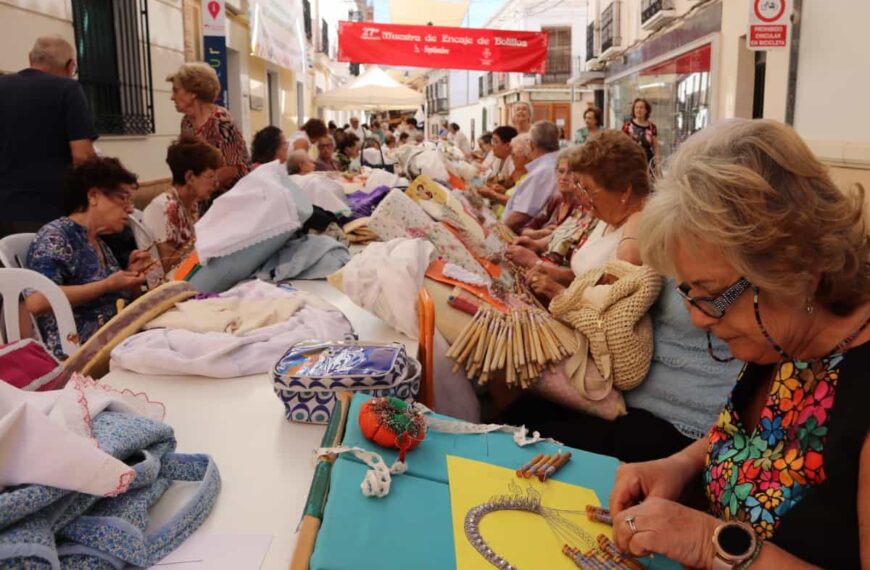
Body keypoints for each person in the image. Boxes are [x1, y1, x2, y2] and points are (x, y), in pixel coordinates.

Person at [607, 118, 870, 569]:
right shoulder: (787, 336)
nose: (697, 317)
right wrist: (679, 465)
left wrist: (711, 543)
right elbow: (757, 442)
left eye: (713, 296)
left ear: (793, 267)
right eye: (688, 293)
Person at [25, 157, 155, 357]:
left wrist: (132, 278)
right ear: (93, 196)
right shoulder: (56, 236)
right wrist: (108, 285)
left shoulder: (99, 242)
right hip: (78, 354)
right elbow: (37, 301)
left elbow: (119, 300)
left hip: (119, 343)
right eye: (123, 198)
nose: (130, 209)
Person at [517, 130, 648, 302]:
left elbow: (610, 309)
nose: (583, 197)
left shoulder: (635, 238)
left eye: (589, 190)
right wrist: (550, 272)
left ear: (624, 190)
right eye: (581, 188)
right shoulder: (607, 217)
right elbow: (585, 277)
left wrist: (558, 292)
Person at [0, 35, 97, 237]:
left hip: (4, 208)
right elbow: (82, 156)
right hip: (48, 211)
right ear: (71, 66)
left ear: (30, 58)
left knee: (9, 267)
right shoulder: (68, 89)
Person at [142, 136, 222, 272]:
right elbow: (167, 265)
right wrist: (204, 233)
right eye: (210, 176)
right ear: (190, 177)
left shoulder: (192, 204)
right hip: (167, 286)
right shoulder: (164, 206)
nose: (216, 183)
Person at [168, 62, 250, 191]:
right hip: (203, 195)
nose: (172, 97)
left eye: (176, 90)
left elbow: (233, 169)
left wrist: (198, 188)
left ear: (193, 93)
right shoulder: (187, 123)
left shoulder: (222, 123)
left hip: (230, 197)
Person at [500, 121, 561, 233]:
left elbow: (521, 215)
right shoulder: (552, 164)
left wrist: (499, 232)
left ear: (532, 145)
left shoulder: (543, 171)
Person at [479, 133, 532, 219]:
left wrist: (493, 194)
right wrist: (502, 191)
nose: (512, 157)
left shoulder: (529, 177)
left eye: (514, 155)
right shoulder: (521, 173)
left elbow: (518, 204)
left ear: (526, 157)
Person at [622, 97, 658, 170]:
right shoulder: (627, 126)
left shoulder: (652, 127)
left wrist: (657, 163)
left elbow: (655, 147)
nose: (639, 110)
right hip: (631, 160)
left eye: (641, 107)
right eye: (636, 107)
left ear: (646, 110)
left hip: (647, 161)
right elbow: (622, 145)